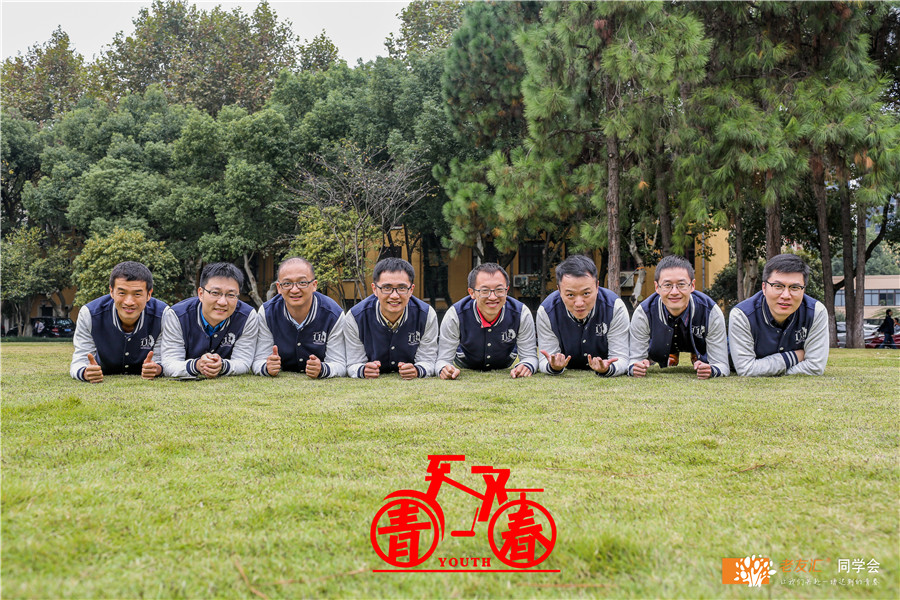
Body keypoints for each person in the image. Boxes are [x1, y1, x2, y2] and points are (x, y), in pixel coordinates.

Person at [629, 255, 729, 379]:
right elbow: (634, 361)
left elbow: (722, 364)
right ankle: (672, 354)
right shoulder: (643, 313)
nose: (674, 292)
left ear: (692, 285)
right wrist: (636, 367)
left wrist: (712, 370)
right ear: (657, 287)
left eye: (681, 284)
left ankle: (696, 354)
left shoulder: (711, 311)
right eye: (667, 285)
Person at [729, 253, 828, 376]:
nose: (786, 295)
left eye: (795, 287)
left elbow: (815, 367)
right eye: (778, 286)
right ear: (764, 288)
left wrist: (764, 369)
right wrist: (795, 356)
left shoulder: (816, 312)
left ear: (803, 290)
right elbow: (746, 369)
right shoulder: (742, 315)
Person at [436, 262, 538, 379]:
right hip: (464, 363)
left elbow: (530, 356)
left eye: (499, 289)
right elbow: (443, 359)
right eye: (485, 291)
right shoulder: (455, 315)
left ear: (507, 290)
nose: (493, 297)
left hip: (505, 363)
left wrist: (527, 365)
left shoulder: (521, 313)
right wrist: (444, 368)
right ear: (472, 293)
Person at [70, 261, 167, 383]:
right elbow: (79, 360)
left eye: (137, 294)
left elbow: (167, 360)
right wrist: (85, 372)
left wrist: (157, 369)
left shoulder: (163, 315)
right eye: (122, 293)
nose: (129, 302)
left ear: (149, 294)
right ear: (111, 291)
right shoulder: (89, 314)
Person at [344, 257, 438, 379]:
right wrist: (363, 370)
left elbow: (428, 360)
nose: (394, 295)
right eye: (387, 288)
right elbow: (353, 363)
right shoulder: (355, 317)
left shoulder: (426, 315)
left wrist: (417, 370)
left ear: (411, 290)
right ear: (375, 289)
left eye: (402, 288)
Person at [160, 262, 258, 378]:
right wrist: (197, 365)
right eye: (215, 293)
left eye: (231, 295)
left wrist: (222, 365)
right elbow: (170, 364)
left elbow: (243, 361)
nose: (222, 302)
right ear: (201, 293)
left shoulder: (247, 316)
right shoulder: (177, 315)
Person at [536, 254, 629, 376]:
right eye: (570, 295)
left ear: (597, 286)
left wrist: (609, 368)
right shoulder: (546, 311)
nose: (579, 303)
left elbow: (621, 357)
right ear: (559, 290)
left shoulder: (615, 307)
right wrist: (553, 366)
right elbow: (545, 359)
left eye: (586, 293)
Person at [253, 257, 346, 378]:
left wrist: (322, 369)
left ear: (314, 285)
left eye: (302, 283)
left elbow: (339, 363)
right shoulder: (267, 312)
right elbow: (259, 360)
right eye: (287, 283)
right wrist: (267, 366)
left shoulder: (333, 314)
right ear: (279, 287)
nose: (294, 290)